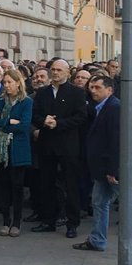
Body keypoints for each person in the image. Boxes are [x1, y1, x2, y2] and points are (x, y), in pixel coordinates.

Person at [74, 75, 132, 259]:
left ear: (109, 90)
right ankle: (97, 239)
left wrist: (113, 169)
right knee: (99, 203)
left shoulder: (114, 108)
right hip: (102, 168)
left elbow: (116, 141)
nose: (93, 91)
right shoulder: (102, 107)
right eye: (91, 87)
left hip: (111, 169)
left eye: (98, 87)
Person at [31, 59, 87, 238]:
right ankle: (48, 220)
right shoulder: (43, 93)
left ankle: (72, 223)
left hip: (68, 145)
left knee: (71, 185)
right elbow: (35, 114)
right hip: (47, 144)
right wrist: (43, 121)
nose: (55, 73)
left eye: (59, 70)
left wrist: (59, 123)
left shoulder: (77, 93)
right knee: (46, 183)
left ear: (67, 72)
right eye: (53, 70)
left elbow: (81, 117)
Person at [0, 69, 31, 236]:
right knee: (2, 186)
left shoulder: (26, 102)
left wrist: (1, 122)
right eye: (5, 82)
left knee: (16, 187)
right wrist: (9, 121)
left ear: (18, 83)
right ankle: (5, 221)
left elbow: (24, 126)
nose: (6, 85)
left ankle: (16, 222)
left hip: (17, 149)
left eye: (10, 82)